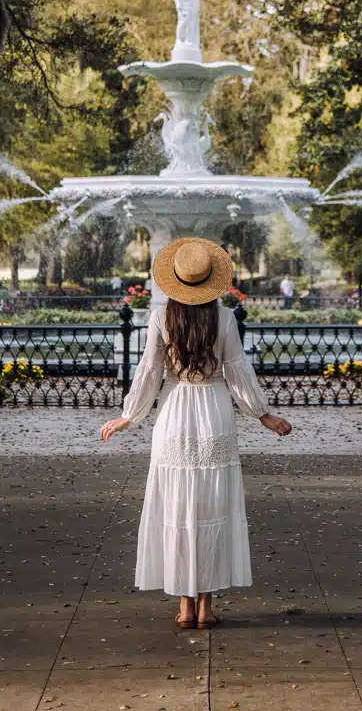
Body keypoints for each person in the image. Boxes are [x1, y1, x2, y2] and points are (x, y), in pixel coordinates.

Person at [100, 238, 292, 629]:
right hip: (214, 412)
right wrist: (262, 414)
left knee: (177, 507)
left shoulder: (160, 318)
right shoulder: (223, 319)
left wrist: (129, 416)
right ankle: (205, 607)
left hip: (174, 413)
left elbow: (149, 373)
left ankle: (185, 608)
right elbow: (237, 370)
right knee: (211, 507)